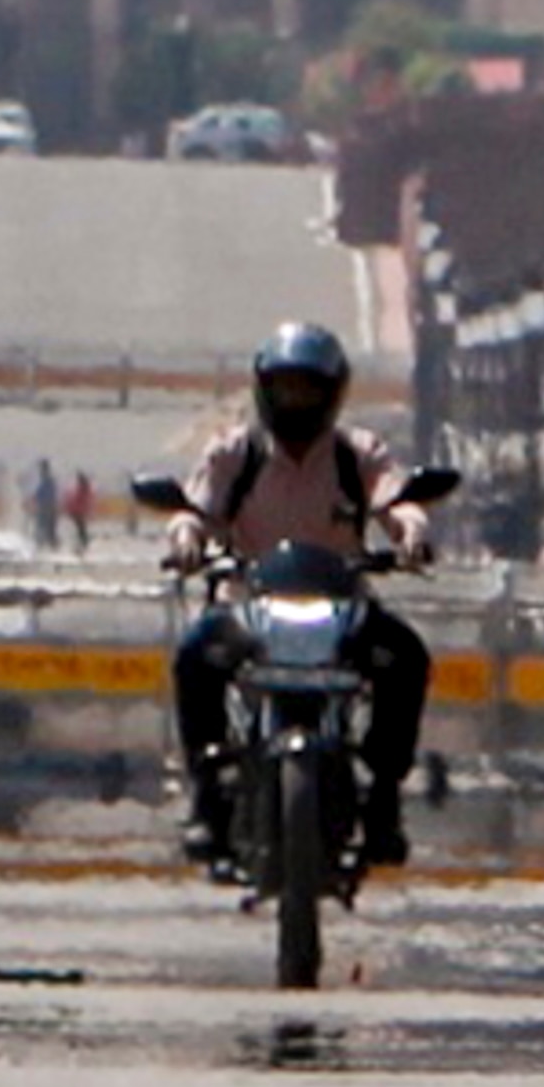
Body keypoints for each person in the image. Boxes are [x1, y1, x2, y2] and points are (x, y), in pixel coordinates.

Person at [162, 320, 433, 870]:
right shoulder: (235, 453)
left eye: (307, 389)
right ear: (265, 390)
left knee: (407, 657)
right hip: (249, 608)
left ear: (332, 393)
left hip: (343, 611)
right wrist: (187, 540)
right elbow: (194, 512)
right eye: (285, 388)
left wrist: (411, 531)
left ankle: (384, 795)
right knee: (194, 656)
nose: (295, 401)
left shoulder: (356, 454)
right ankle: (207, 794)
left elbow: (396, 499)